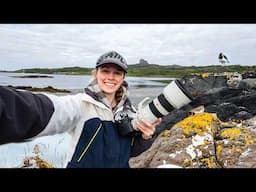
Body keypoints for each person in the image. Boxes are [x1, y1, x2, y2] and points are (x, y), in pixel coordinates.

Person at [0, 51, 161, 168]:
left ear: (123, 78)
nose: (111, 77)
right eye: (105, 71)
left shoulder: (131, 111)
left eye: (117, 73)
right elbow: (46, 110)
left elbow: (131, 152)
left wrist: (144, 137)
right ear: (96, 73)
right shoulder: (80, 104)